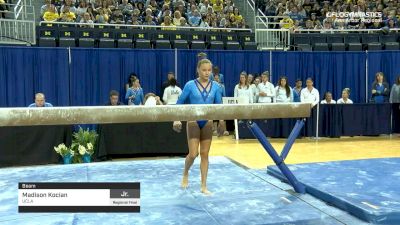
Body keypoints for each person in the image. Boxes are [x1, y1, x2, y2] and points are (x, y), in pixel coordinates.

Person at [172, 59, 222, 195]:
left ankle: (204, 186)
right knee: (194, 154)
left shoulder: (216, 86)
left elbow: (220, 107)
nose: (207, 73)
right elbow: (179, 103)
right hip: (193, 121)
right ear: (198, 70)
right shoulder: (190, 85)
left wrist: (221, 121)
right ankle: (185, 172)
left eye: (209, 70)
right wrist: (176, 119)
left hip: (207, 122)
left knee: (205, 154)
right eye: (204, 70)